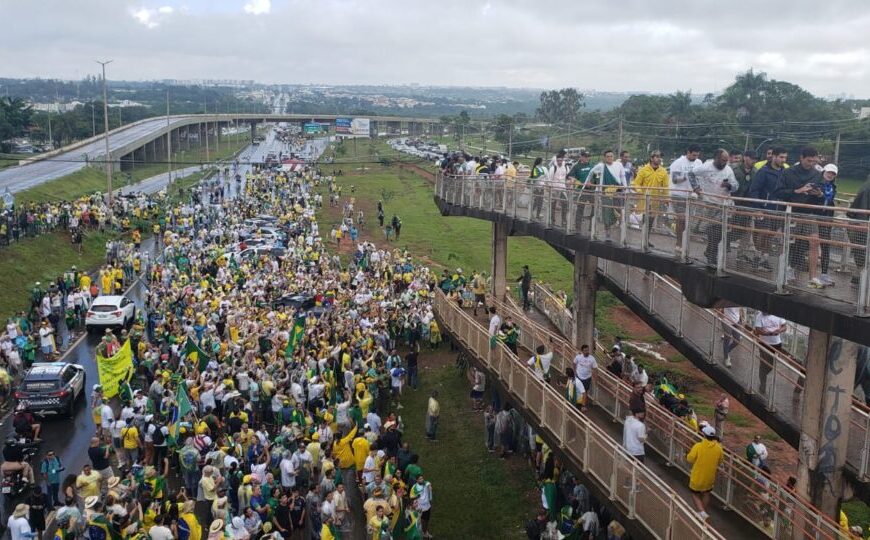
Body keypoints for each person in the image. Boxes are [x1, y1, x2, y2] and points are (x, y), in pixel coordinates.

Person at [772, 146, 826, 286]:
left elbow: (822, 195)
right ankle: (784, 269)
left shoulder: (817, 174)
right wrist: (797, 191)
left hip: (809, 213)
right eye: (809, 161)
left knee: (814, 241)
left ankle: (813, 277)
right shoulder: (788, 172)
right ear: (801, 158)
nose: (811, 164)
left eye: (814, 161)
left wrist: (819, 194)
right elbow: (778, 192)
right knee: (787, 242)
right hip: (791, 212)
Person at [689, 149, 738, 266]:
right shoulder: (706, 167)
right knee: (712, 231)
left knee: (718, 232)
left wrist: (728, 185)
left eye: (726, 161)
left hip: (723, 205)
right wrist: (696, 187)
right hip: (709, 203)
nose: (724, 163)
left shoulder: (728, 170)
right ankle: (711, 253)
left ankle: (711, 253)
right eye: (723, 160)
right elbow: (691, 174)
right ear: (716, 158)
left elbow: (736, 186)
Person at [668, 144, 702, 252]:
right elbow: (674, 179)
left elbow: (700, 178)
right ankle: (679, 243)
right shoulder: (678, 163)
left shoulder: (699, 163)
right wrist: (687, 176)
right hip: (678, 194)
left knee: (688, 221)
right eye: (693, 155)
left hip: (691, 195)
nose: (695, 157)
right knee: (681, 219)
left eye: (697, 155)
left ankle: (684, 242)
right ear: (688, 152)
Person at [686, 424, 724, 521]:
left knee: (695, 493)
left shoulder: (698, 446)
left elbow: (690, 459)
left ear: (704, 435)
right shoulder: (719, 448)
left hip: (698, 475)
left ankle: (702, 512)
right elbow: (720, 461)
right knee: (706, 493)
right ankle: (702, 512)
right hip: (710, 476)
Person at [632, 150, 669, 241]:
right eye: (657, 157)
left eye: (660, 157)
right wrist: (639, 191)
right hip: (644, 199)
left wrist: (666, 198)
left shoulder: (663, 171)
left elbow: (665, 187)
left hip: (655, 200)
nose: (659, 159)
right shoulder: (643, 170)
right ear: (651, 158)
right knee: (645, 219)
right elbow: (636, 183)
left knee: (651, 221)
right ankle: (643, 241)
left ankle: (646, 240)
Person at [753, 311, 786, 395]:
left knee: (771, 365)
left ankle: (762, 376)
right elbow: (758, 330)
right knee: (764, 363)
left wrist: (779, 330)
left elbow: (784, 327)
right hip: (764, 343)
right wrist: (768, 333)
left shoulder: (778, 314)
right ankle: (762, 385)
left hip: (776, 344)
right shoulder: (759, 315)